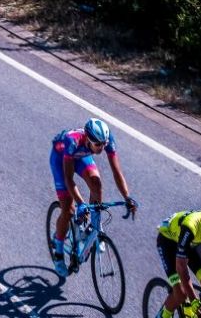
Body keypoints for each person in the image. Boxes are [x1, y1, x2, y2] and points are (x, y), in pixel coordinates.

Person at [49, 119, 138, 278]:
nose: (102, 148)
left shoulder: (107, 139)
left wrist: (127, 197)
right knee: (68, 210)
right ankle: (58, 246)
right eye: (98, 145)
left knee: (96, 183)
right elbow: (69, 179)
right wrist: (81, 203)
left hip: (80, 157)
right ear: (88, 140)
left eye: (104, 144)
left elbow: (117, 172)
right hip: (61, 159)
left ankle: (95, 226)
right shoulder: (72, 141)